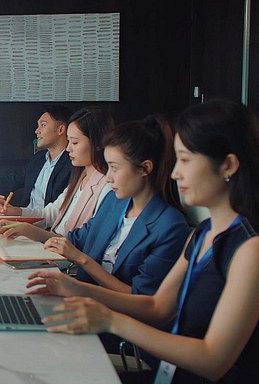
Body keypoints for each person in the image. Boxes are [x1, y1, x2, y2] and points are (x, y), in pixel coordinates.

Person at [26, 100, 259, 384]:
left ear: (228, 166)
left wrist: (111, 320)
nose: (175, 173)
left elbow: (213, 360)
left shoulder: (249, 250)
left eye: (186, 160)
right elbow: (157, 306)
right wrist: (75, 288)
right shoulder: (203, 233)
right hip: (170, 383)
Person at [42, 116, 190, 296]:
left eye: (114, 168)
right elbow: (77, 240)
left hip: (111, 310)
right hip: (81, 298)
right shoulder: (114, 202)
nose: (108, 177)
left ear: (145, 168)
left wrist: (81, 259)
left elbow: (142, 299)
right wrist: (33, 238)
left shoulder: (170, 226)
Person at [0, 107, 114, 241]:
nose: (68, 148)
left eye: (75, 142)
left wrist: (27, 229)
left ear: (97, 144)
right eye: (69, 141)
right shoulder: (81, 177)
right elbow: (50, 213)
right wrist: (17, 213)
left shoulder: (107, 186)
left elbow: (81, 241)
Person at [0, 106, 72, 208]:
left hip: (47, 224)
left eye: (43, 125)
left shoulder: (72, 164)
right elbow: (11, 181)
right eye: (38, 126)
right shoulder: (39, 159)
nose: (37, 131)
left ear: (61, 129)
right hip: (26, 218)